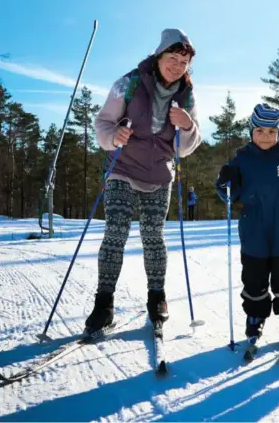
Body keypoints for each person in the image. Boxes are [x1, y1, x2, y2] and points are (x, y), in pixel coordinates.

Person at [85, 28, 203, 335]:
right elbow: (102, 123)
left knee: (153, 235)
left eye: (184, 61)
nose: (178, 66)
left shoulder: (186, 95)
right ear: (159, 55)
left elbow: (186, 146)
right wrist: (114, 136)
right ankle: (104, 304)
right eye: (173, 58)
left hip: (159, 174)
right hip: (122, 168)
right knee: (116, 232)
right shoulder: (128, 83)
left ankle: (157, 298)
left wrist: (188, 125)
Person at [215, 103, 279, 343]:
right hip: (253, 227)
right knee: (253, 275)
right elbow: (232, 193)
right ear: (251, 131)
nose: (265, 137)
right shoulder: (241, 159)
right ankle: (255, 317)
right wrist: (224, 183)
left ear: (278, 134)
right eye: (260, 131)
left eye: (272, 132)